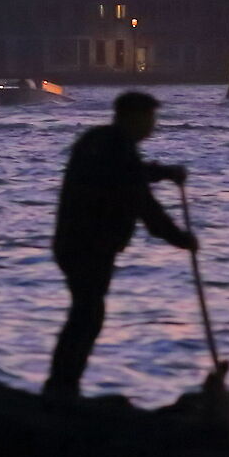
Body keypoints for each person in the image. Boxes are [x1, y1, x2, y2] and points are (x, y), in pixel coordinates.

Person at [44, 90, 195, 400]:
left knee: (85, 313)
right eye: (150, 119)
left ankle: (62, 386)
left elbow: (131, 175)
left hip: (75, 243)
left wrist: (164, 172)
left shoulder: (99, 141)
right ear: (133, 118)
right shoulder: (117, 150)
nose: (153, 127)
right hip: (90, 246)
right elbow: (145, 207)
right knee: (87, 315)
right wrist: (182, 239)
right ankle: (62, 389)